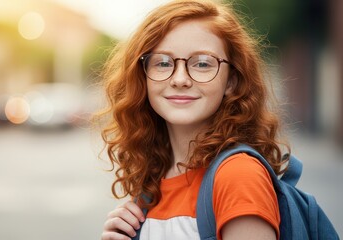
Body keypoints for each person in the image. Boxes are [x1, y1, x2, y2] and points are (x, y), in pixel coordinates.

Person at [97, 0, 289, 239]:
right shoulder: (154, 181)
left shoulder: (239, 175)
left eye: (201, 63)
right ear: (143, 77)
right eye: (163, 62)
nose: (179, 79)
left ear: (231, 81)